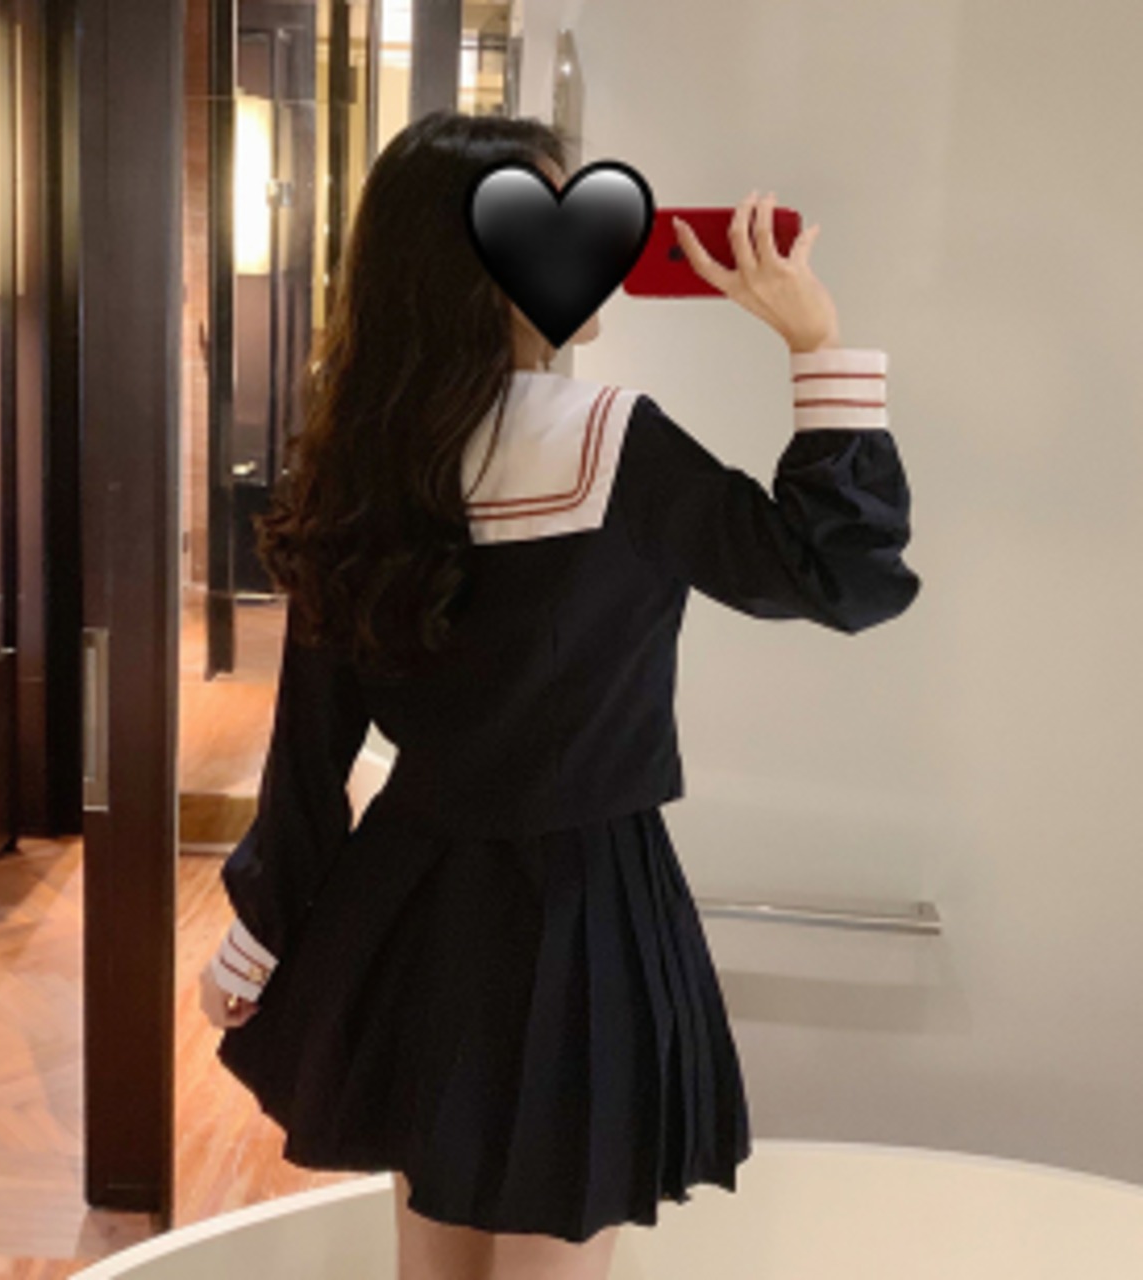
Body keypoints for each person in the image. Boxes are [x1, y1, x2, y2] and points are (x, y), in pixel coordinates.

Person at [197, 108, 920, 1280]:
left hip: (413, 902)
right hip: (584, 913)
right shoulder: (611, 441)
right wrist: (814, 343)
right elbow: (840, 576)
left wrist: (260, 931)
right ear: (480, 267)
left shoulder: (363, 454)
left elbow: (311, 739)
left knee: (430, 1260)